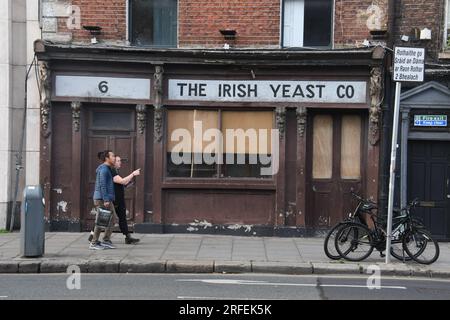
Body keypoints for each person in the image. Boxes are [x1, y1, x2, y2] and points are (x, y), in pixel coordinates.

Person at [89, 150, 117, 250]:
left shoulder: (107, 169)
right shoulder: (104, 170)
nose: (115, 158)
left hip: (105, 198)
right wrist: (105, 199)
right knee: (101, 221)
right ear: (107, 158)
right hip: (101, 199)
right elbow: (103, 185)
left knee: (112, 219)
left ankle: (106, 240)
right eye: (113, 156)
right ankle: (94, 242)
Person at [110, 155, 141, 244]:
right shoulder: (112, 171)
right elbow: (122, 181)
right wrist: (133, 174)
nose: (120, 162)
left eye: (120, 160)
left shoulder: (116, 171)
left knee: (122, 217)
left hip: (119, 198)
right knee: (106, 217)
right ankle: (93, 235)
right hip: (115, 199)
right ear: (114, 162)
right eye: (118, 161)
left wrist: (128, 182)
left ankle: (127, 237)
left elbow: (123, 182)